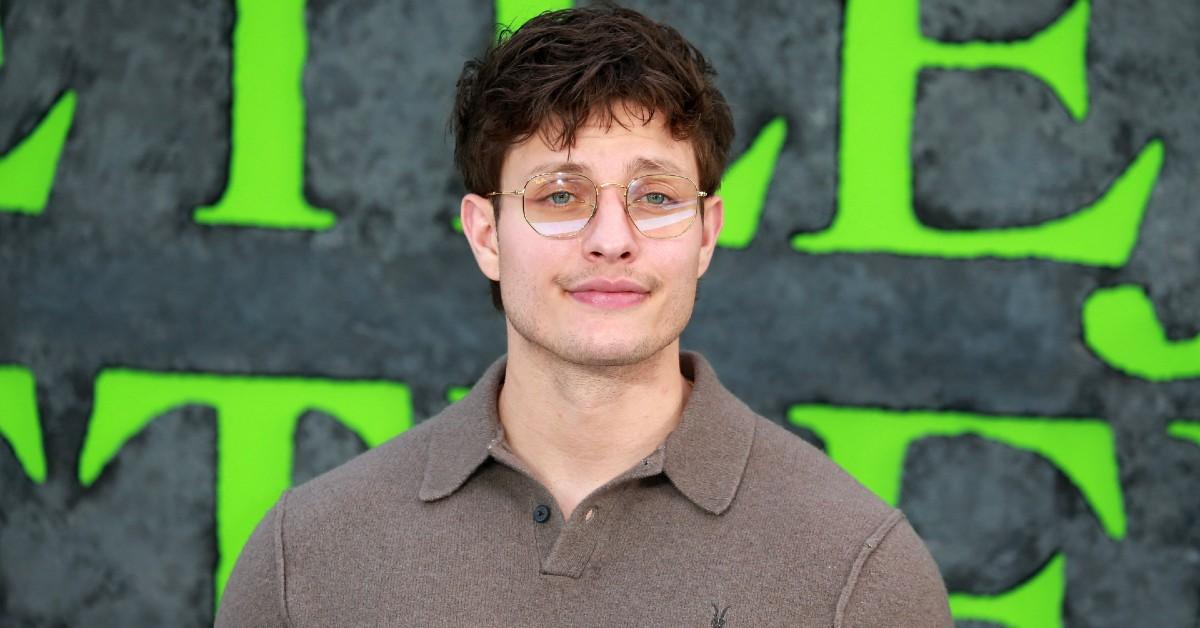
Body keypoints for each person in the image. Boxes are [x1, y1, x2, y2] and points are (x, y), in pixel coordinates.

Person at [217, 5, 952, 626]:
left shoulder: (860, 570)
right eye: (560, 196)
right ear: (484, 235)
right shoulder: (305, 558)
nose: (611, 239)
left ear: (706, 233)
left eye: (656, 197)